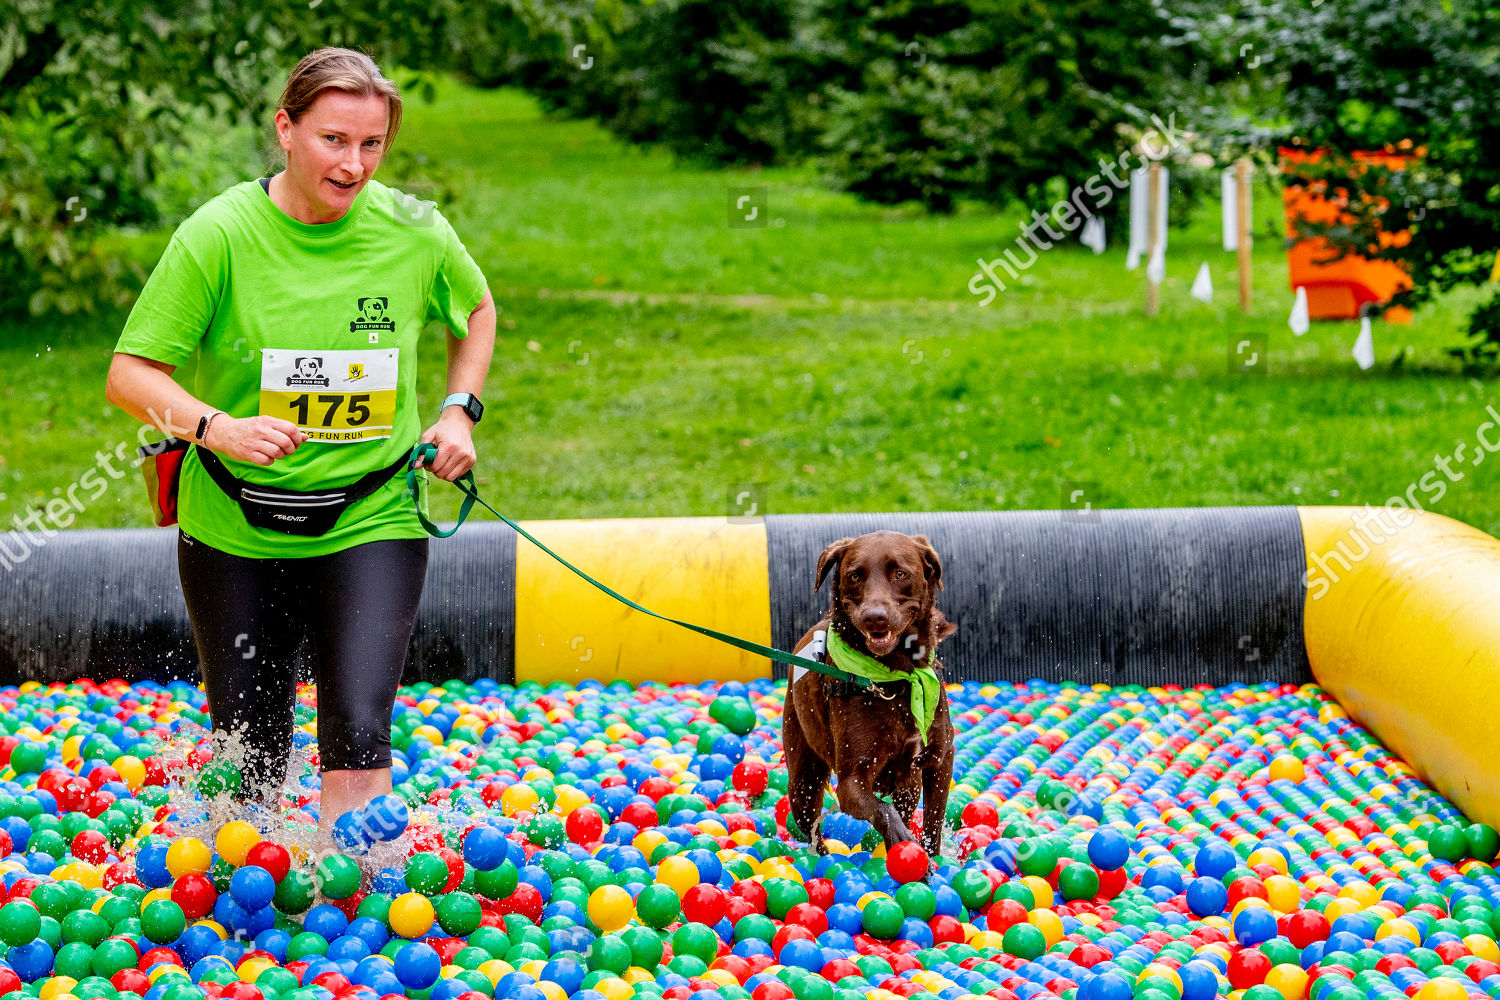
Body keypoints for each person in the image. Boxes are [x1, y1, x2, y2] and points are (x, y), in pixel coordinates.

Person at [105, 47, 496, 828]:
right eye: (333, 140)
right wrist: (216, 429)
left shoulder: (415, 230)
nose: (354, 165)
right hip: (233, 527)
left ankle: (353, 920)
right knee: (251, 761)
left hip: (372, 516)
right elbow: (130, 374)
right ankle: (259, 918)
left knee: (356, 736)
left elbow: (476, 310)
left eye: (372, 144)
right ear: (285, 129)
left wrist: (458, 409)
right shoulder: (217, 234)